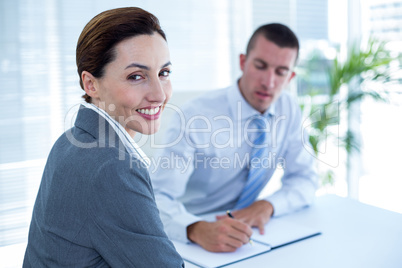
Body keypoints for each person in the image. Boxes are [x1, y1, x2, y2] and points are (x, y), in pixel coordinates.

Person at [23, 7, 184, 267]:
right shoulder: (112, 167)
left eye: (164, 73)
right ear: (91, 84)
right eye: (136, 76)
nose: (159, 94)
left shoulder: (70, 140)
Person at [151, 23, 318, 252]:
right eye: (261, 66)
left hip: (250, 235)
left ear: (291, 77)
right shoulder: (194, 116)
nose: (268, 82)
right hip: (191, 232)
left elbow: (305, 178)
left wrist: (268, 205)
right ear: (243, 62)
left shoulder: (288, 109)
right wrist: (195, 228)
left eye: (281, 72)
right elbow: (157, 197)